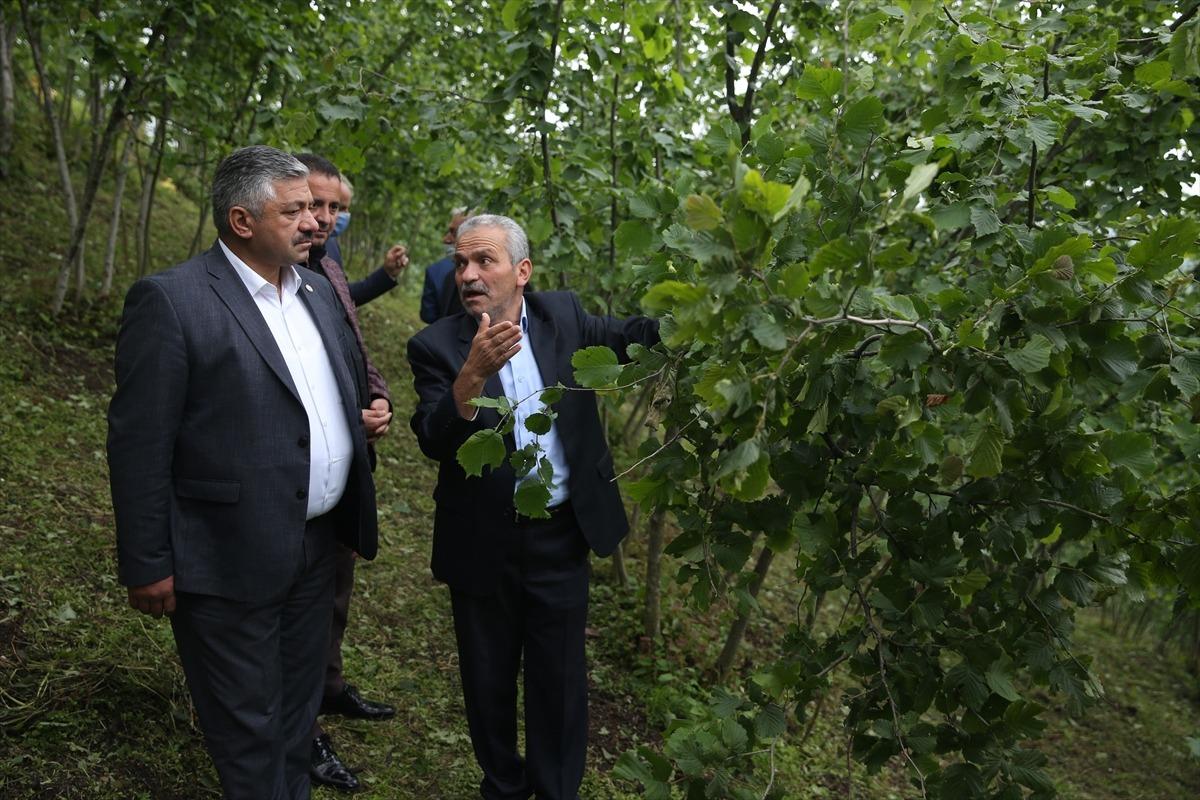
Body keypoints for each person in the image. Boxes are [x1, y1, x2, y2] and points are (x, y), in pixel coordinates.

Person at [107, 145, 378, 800]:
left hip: (315, 547)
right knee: (248, 730)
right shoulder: (173, 301)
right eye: (295, 211)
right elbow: (140, 442)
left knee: (295, 714)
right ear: (241, 220)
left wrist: (360, 418)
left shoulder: (316, 290)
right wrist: (147, 561)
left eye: (315, 208)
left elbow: (324, 388)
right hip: (225, 554)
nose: (315, 222)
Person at [406, 214, 659, 800]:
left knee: (560, 680)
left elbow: (633, 335)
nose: (468, 275)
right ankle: (503, 786)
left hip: (560, 536)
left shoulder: (562, 316)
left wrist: (704, 315)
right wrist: (471, 377)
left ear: (522, 271)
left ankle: (556, 789)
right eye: (461, 263)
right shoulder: (436, 345)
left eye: (484, 261)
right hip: (481, 539)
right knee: (487, 679)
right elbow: (432, 438)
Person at [295, 152, 401, 793]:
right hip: (294, 478)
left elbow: (354, 349)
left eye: (336, 208)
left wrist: (378, 397)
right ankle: (301, 727)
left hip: (343, 469)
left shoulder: (328, 268)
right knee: (296, 610)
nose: (326, 218)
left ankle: (328, 686)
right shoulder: (269, 278)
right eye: (315, 204)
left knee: (335, 584)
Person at [418, 208, 468, 323]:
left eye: (454, 232)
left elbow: (428, 316)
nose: (446, 239)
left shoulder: (436, 271)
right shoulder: (437, 271)